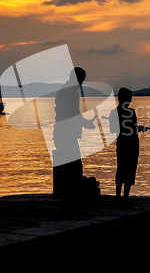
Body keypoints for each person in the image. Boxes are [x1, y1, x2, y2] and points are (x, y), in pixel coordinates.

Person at [52, 67, 95, 208]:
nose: (81, 84)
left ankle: (65, 198)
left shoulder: (64, 90)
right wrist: (86, 123)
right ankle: (67, 200)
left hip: (61, 132)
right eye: (81, 80)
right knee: (74, 168)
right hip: (66, 134)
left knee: (68, 167)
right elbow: (73, 114)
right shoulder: (71, 93)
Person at [109, 87, 146, 203]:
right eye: (130, 98)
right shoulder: (131, 112)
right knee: (129, 168)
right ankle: (125, 196)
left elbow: (113, 130)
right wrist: (139, 129)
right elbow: (133, 128)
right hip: (131, 144)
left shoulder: (113, 113)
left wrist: (136, 128)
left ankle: (118, 196)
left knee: (121, 168)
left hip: (121, 143)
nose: (131, 101)